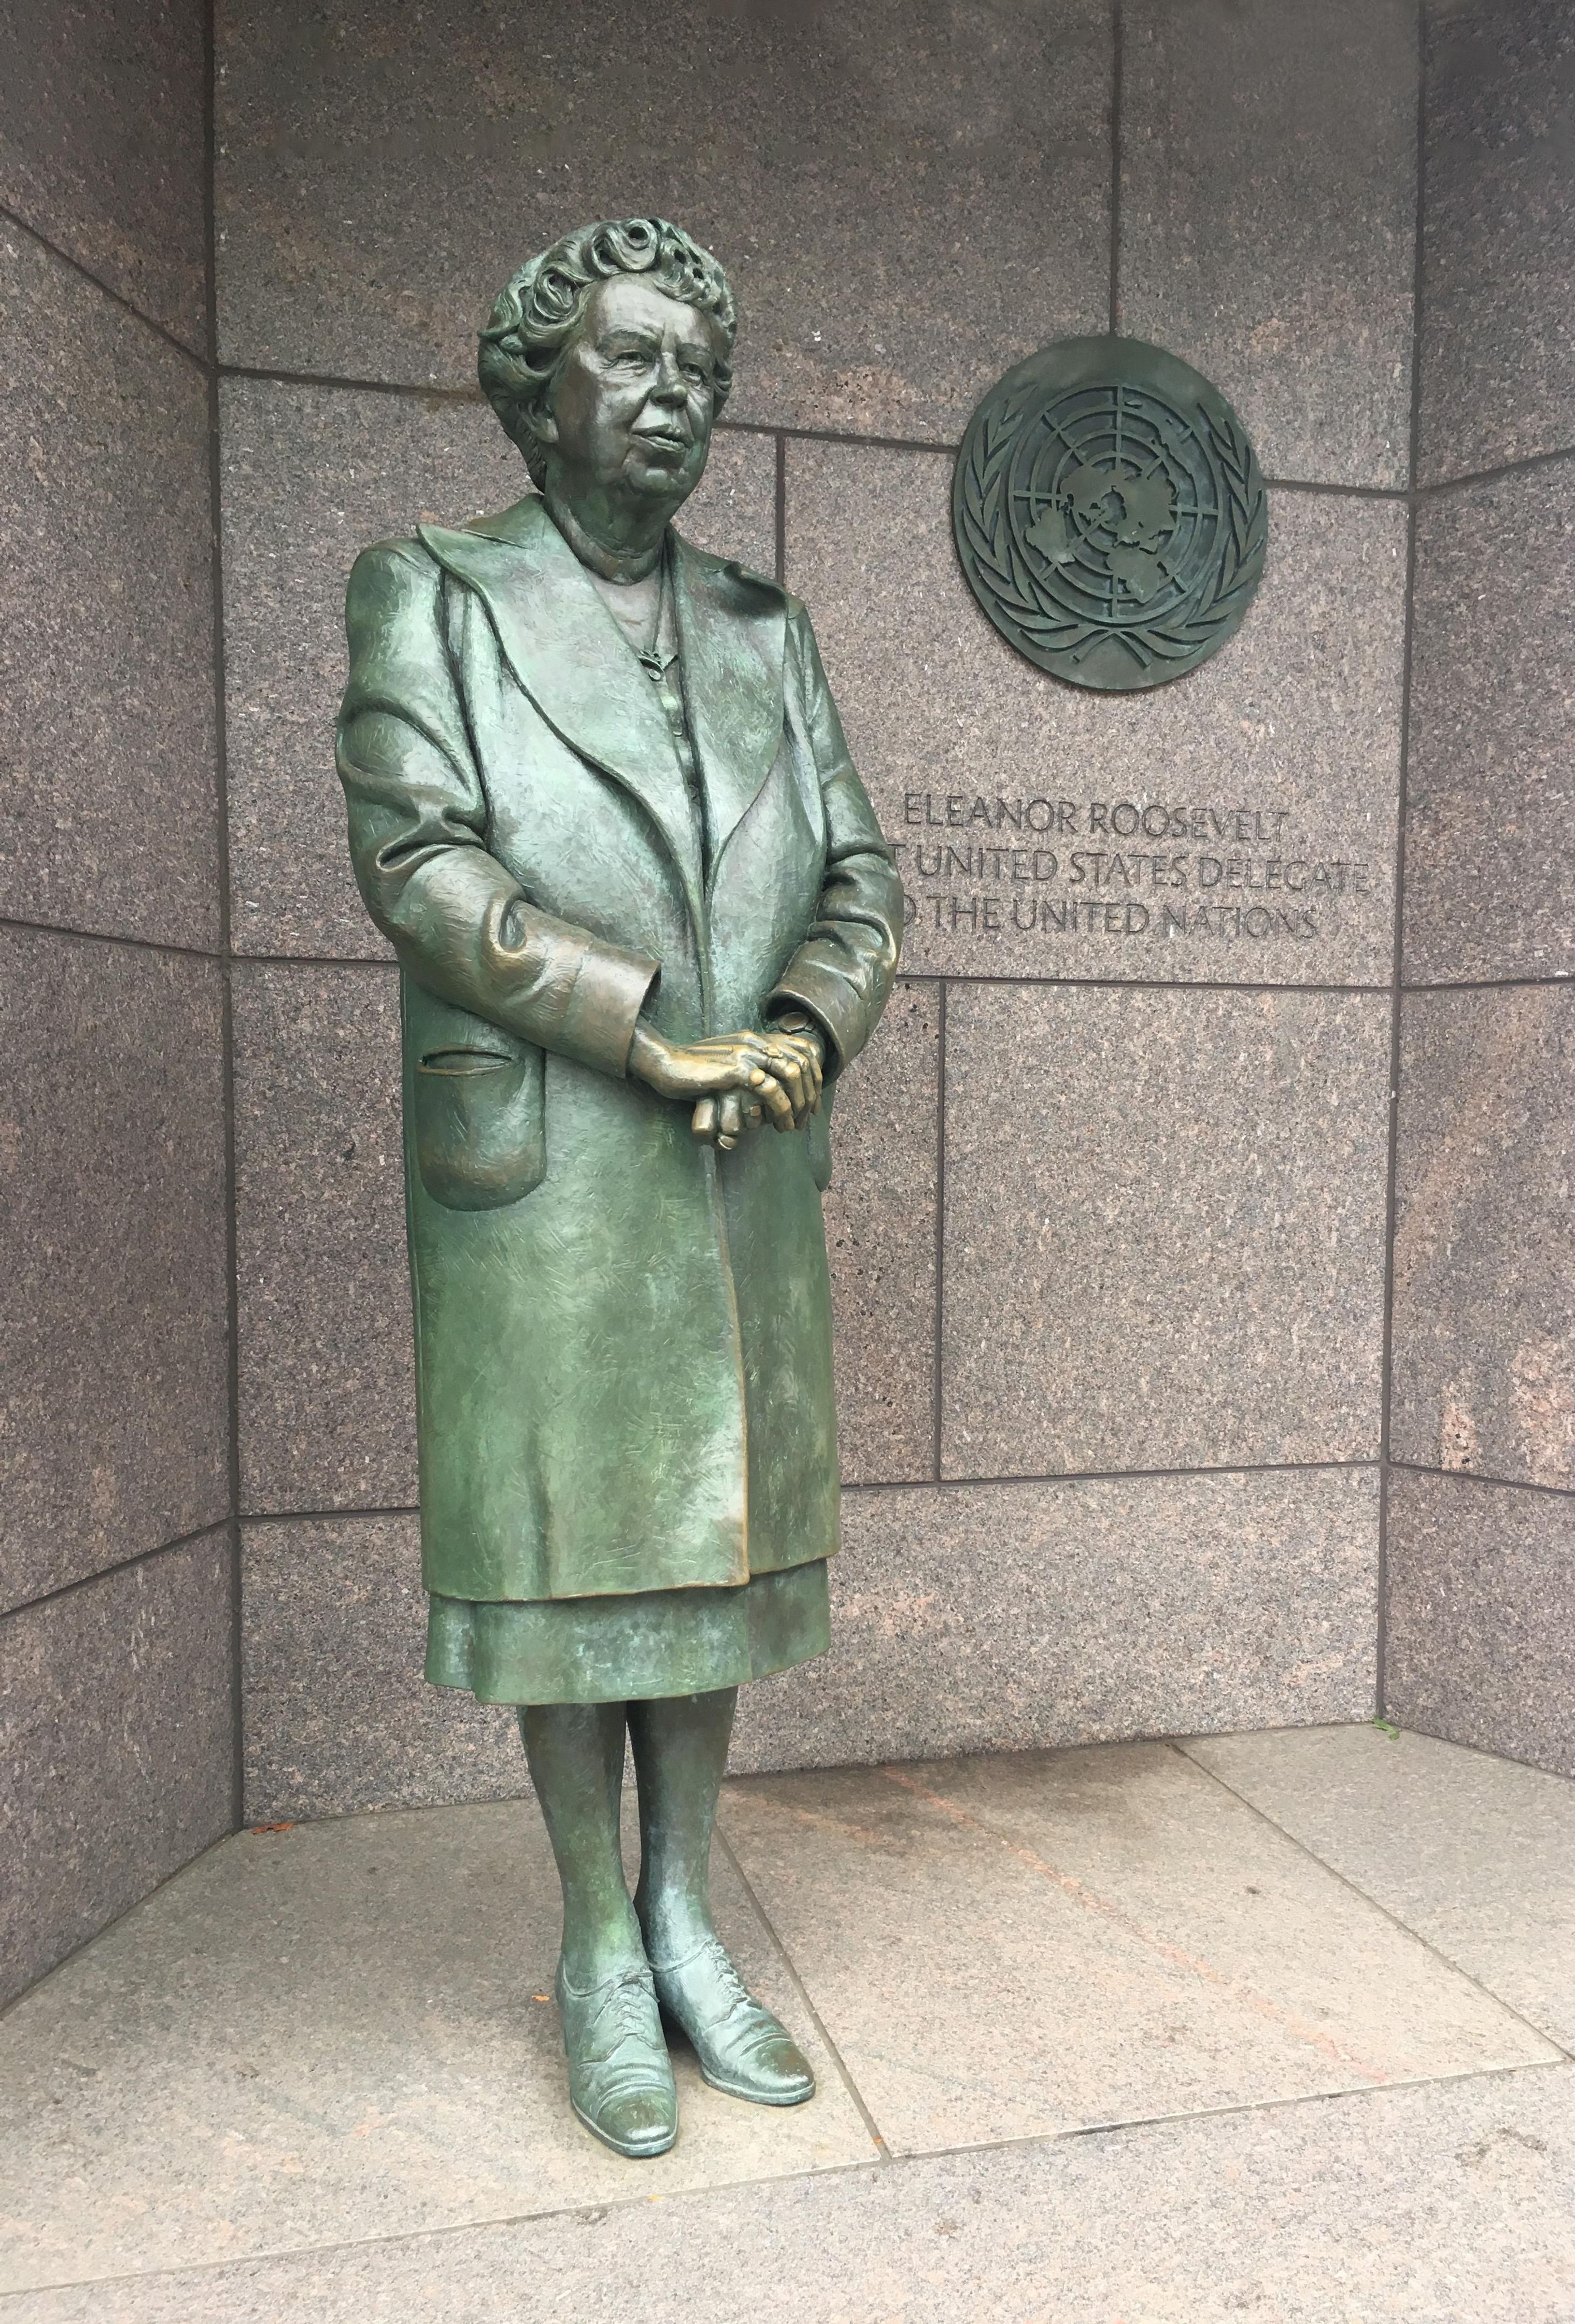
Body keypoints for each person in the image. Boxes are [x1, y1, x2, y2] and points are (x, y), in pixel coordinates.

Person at [335, 215, 902, 2158]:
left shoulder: (766, 628)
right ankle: (594, 1941)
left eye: (703, 379)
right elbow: (415, 860)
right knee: (581, 1561)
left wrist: (810, 1032)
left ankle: (685, 1914)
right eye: (640, 362)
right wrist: (642, 1025)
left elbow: (860, 876)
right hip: (561, 1158)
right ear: (539, 383)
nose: (677, 404)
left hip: (744, 1160)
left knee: (708, 1548)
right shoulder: (432, 593)